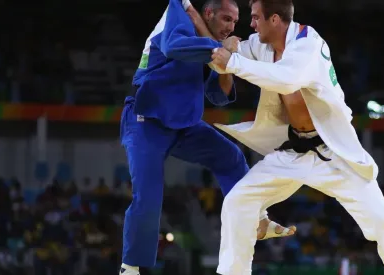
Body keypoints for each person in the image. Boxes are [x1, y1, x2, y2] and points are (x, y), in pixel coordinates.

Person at [206, 0, 384, 274]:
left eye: (256, 18)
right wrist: (229, 48)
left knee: (381, 221)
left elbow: (286, 79)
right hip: (293, 150)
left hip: (333, 154)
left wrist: (232, 61)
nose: (251, 24)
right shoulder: (263, 45)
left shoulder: (308, 42)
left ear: (275, 19)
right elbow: (230, 55)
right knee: (237, 202)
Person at [119, 1, 293, 274]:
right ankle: (129, 267)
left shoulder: (211, 44)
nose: (230, 27)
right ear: (208, 13)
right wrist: (219, 49)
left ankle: (257, 219)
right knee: (149, 198)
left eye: (235, 22)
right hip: (146, 121)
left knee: (231, 157)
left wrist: (229, 63)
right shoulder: (178, 10)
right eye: (226, 19)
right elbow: (173, 46)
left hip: (184, 125)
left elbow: (219, 95)